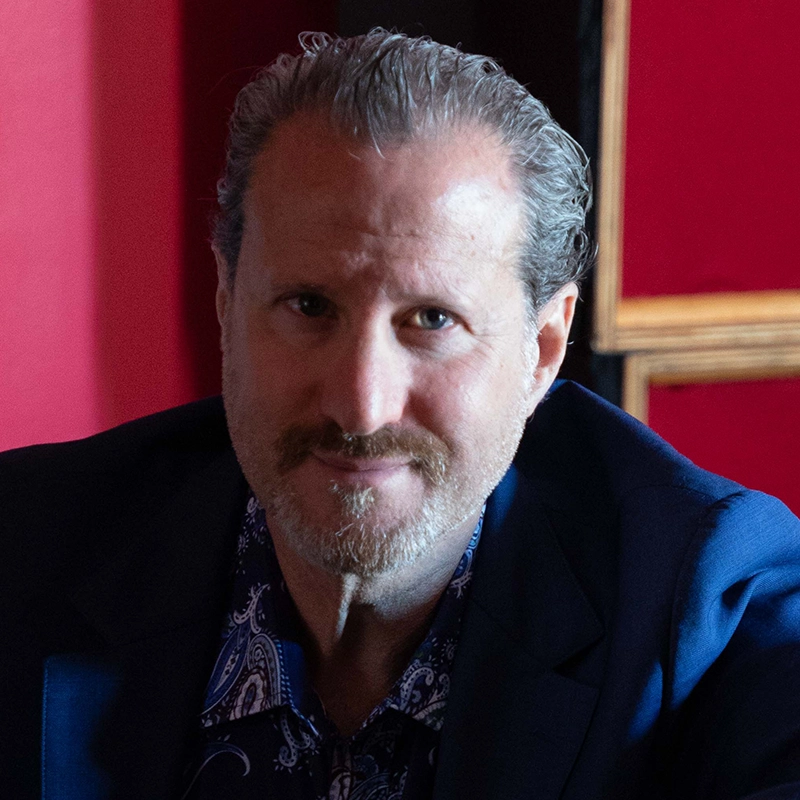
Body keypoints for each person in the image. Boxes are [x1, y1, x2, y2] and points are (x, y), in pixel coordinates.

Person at [2, 28, 800, 800]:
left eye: (431, 321)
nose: (361, 401)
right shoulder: (28, 543)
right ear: (226, 298)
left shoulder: (702, 608)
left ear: (544, 348)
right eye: (309, 305)